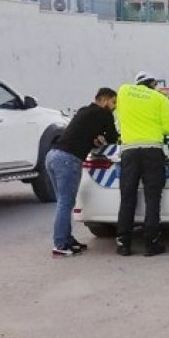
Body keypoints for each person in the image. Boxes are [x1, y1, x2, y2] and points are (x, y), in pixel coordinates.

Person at [45, 88, 118, 257]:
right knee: (65, 203)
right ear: (105, 100)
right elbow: (114, 138)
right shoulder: (104, 114)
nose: (114, 107)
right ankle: (60, 245)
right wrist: (103, 139)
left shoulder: (84, 111)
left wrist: (95, 139)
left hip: (53, 156)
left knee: (63, 203)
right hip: (68, 160)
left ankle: (67, 239)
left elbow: (81, 134)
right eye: (114, 102)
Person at [115, 71, 169, 257]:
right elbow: (168, 129)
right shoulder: (159, 98)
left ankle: (123, 243)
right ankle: (151, 244)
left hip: (129, 151)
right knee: (152, 198)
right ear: (153, 84)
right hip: (152, 151)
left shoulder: (123, 91)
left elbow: (119, 120)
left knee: (127, 197)